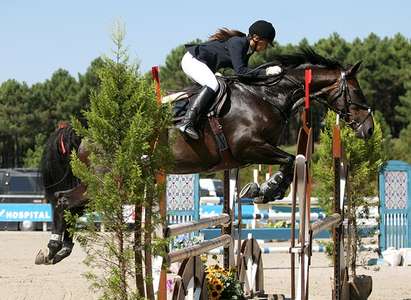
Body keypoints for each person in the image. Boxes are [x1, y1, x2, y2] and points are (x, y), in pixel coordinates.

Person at [178, 20, 282, 140]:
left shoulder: (247, 49)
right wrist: (266, 72)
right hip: (193, 60)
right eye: (266, 43)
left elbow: (244, 76)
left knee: (218, 85)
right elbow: (241, 72)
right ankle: (187, 122)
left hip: (203, 63)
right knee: (213, 84)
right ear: (256, 38)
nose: (266, 47)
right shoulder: (238, 43)